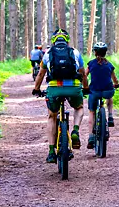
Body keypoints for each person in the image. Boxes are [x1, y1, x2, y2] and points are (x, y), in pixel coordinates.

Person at [33, 29, 88, 163]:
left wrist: (36, 89)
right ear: (67, 40)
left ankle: (51, 152)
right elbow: (82, 73)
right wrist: (86, 87)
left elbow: (40, 74)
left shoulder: (47, 54)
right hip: (73, 88)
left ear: (53, 41)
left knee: (52, 116)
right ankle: (75, 130)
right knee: (79, 107)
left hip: (55, 89)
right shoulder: (75, 52)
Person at [85, 42, 119, 149]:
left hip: (94, 91)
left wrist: (85, 87)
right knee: (109, 95)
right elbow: (114, 79)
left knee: (91, 112)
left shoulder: (91, 64)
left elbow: (84, 76)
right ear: (105, 52)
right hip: (107, 91)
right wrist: (117, 84)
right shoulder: (109, 65)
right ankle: (110, 115)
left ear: (95, 52)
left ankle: (91, 136)